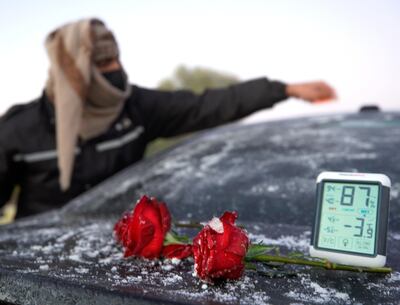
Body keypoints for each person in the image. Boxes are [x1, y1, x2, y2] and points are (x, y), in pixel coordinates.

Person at [0, 18, 336, 219]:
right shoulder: (19, 130)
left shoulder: (138, 107)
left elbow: (209, 105)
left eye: (115, 60)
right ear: (73, 74)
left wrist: (283, 89)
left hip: (115, 251)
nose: (116, 71)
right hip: (37, 257)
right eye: (102, 66)